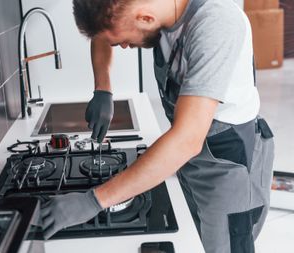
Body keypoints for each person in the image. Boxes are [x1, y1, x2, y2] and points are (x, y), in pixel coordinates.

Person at [41, 0, 275, 252]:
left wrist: (93, 201)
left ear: (145, 18)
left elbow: (187, 140)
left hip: (228, 163)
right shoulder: (158, 9)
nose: (123, 46)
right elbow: (103, 32)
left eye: (123, 40)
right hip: (190, 153)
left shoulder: (216, 24)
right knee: (197, 237)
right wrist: (103, 88)